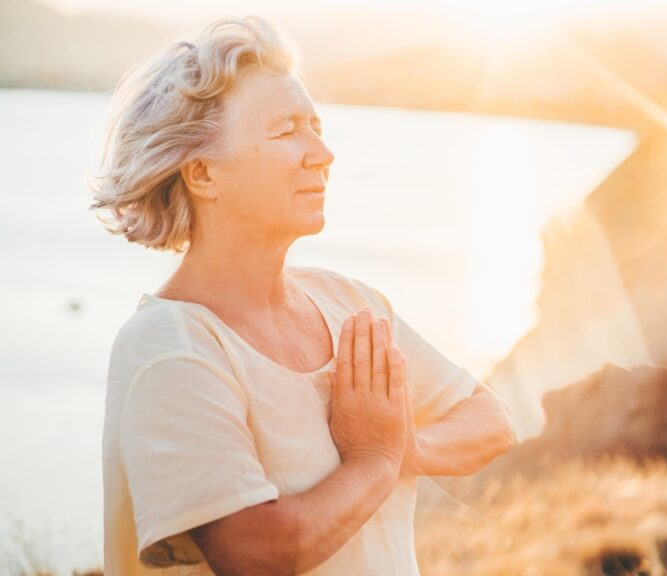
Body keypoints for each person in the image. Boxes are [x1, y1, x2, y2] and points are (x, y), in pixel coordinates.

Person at [90, 15, 516, 575]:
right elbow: (260, 553)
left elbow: (489, 420)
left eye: (315, 125)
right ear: (201, 173)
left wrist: (403, 448)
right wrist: (374, 459)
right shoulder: (171, 349)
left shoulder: (350, 304)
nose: (323, 153)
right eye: (288, 130)